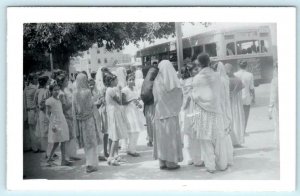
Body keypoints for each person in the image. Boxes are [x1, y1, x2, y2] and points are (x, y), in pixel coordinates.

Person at [189, 53, 228, 173]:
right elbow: (220, 93)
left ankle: (210, 166)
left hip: (203, 112)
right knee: (219, 138)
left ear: (199, 64)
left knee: (206, 140)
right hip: (216, 111)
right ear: (209, 62)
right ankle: (222, 164)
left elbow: (195, 96)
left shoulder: (196, 78)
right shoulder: (217, 76)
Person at [153, 60, 183, 170]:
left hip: (159, 114)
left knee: (162, 139)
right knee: (171, 139)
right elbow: (180, 99)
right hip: (170, 115)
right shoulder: (174, 83)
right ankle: (171, 162)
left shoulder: (156, 81)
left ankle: (162, 162)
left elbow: (155, 98)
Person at [73, 73, 100, 173]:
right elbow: (90, 105)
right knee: (92, 141)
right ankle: (91, 164)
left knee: (85, 142)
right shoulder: (88, 92)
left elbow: (74, 109)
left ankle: (89, 163)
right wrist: (96, 100)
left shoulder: (75, 93)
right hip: (89, 119)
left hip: (80, 121)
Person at [104, 73, 129, 166]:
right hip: (114, 112)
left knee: (116, 134)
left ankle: (116, 155)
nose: (117, 81)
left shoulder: (109, 89)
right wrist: (119, 91)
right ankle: (110, 157)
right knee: (115, 135)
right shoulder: (111, 90)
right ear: (111, 81)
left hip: (113, 111)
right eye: (115, 80)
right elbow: (119, 101)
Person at [181, 62, 203, 166]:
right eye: (195, 69)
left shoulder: (183, 82)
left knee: (187, 133)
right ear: (190, 71)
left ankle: (188, 157)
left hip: (185, 110)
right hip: (194, 108)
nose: (198, 71)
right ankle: (197, 159)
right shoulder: (195, 81)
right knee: (196, 133)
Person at [45, 84, 72, 166]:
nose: (57, 91)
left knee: (63, 140)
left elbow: (61, 110)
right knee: (56, 142)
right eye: (54, 90)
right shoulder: (49, 100)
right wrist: (52, 124)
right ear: (51, 91)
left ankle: (62, 160)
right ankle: (50, 158)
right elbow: (47, 114)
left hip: (62, 121)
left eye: (58, 90)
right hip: (55, 122)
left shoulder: (59, 99)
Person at [56, 74, 81, 161]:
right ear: (62, 82)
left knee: (71, 135)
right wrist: (72, 102)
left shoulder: (65, 91)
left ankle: (71, 154)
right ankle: (67, 156)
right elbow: (63, 108)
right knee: (67, 136)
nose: (67, 82)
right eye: (65, 81)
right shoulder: (61, 94)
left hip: (70, 115)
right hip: (66, 116)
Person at [122, 73, 146, 157]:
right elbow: (123, 102)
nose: (131, 81)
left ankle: (132, 148)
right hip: (128, 111)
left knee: (136, 130)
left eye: (133, 79)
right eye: (130, 80)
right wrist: (132, 100)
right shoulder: (124, 90)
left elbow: (136, 99)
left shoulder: (134, 89)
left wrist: (138, 104)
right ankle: (131, 150)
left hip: (135, 111)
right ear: (126, 81)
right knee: (132, 131)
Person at [225, 63, 245, 147]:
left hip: (229, 104)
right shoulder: (238, 79)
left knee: (230, 121)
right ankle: (237, 140)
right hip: (236, 104)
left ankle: (233, 141)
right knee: (237, 121)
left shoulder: (225, 80)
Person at [234, 61, 255, 134]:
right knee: (246, 114)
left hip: (237, 97)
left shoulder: (235, 74)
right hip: (246, 97)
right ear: (246, 66)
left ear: (239, 66)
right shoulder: (250, 75)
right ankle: (244, 130)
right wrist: (254, 98)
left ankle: (239, 130)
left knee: (238, 114)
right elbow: (251, 88)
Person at [34, 75, 52, 158]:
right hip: (45, 113)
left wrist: (38, 110)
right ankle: (48, 152)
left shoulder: (37, 91)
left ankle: (47, 151)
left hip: (41, 113)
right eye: (48, 81)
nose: (49, 82)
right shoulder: (46, 91)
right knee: (47, 132)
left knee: (44, 132)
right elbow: (43, 103)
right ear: (45, 82)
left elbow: (35, 103)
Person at [141, 66, 159, 147]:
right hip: (153, 104)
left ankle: (150, 140)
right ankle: (155, 139)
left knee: (148, 123)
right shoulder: (154, 82)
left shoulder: (144, 82)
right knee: (154, 122)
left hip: (146, 105)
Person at [96, 67, 110, 158]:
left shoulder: (109, 85)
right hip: (105, 110)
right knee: (106, 131)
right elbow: (101, 100)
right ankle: (105, 151)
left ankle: (109, 150)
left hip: (110, 108)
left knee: (110, 131)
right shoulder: (101, 88)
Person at [24, 73, 40, 152]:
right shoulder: (34, 89)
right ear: (31, 80)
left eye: (37, 78)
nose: (37, 80)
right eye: (35, 78)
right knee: (35, 130)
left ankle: (32, 146)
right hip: (33, 110)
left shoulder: (26, 89)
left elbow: (24, 102)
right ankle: (35, 147)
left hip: (29, 111)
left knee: (31, 130)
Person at [269, 61, 279, 148]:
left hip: (278, 106)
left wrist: (270, 109)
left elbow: (273, 96)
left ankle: (279, 142)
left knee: (278, 124)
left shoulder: (275, 80)